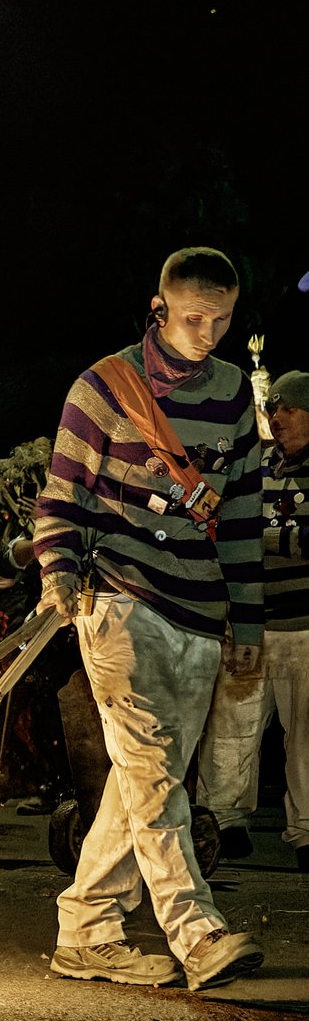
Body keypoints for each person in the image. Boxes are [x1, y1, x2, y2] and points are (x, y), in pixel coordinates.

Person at [35, 246, 264, 990]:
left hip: (200, 611)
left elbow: (239, 517)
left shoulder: (233, 392)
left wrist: (248, 623)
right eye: (195, 317)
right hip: (121, 602)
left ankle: (88, 928)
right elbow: (61, 496)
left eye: (223, 319)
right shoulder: (101, 387)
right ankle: (197, 934)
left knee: (142, 779)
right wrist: (59, 573)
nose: (209, 333)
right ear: (159, 307)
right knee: (155, 772)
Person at [198, 367, 309, 870]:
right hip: (251, 622)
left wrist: (260, 543)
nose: (276, 416)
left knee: (305, 734)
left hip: (304, 625)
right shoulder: (255, 468)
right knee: (230, 726)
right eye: (273, 407)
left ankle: (306, 831)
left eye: (289, 408)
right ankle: (222, 823)